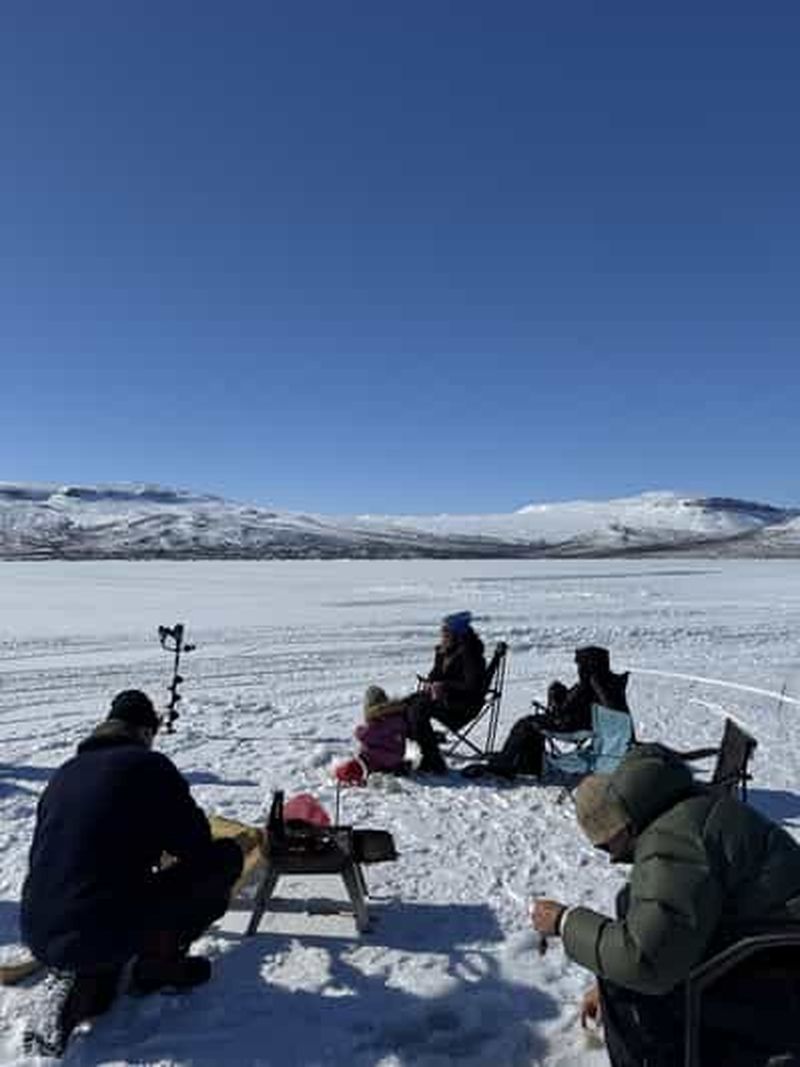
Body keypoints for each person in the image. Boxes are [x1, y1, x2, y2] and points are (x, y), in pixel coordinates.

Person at [531, 744, 800, 1066]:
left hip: (773, 976)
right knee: (628, 909)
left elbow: (645, 962)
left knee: (631, 980)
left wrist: (564, 922)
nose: (614, 858)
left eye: (605, 846)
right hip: (767, 949)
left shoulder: (675, 839)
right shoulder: (689, 807)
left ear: (622, 825)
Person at [20, 690, 244, 1056]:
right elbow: (197, 845)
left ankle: (79, 981)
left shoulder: (64, 773)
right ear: (144, 732)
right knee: (222, 859)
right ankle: (159, 962)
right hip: (101, 921)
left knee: (103, 987)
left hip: (39, 925)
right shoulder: (149, 767)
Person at [463, 645, 629, 779]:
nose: (578, 667)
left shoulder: (590, 682)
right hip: (586, 724)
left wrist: (558, 696)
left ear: (588, 665)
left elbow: (565, 708)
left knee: (526, 724)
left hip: (575, 727)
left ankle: (503, 765)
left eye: (580, 664)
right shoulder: (608, 681)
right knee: (532, 723)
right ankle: (527, 765)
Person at [405, 611, 487, 774]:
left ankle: (433, 760)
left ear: (455, 634)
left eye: (445, 631)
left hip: (461, 705)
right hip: (446, 698)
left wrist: (444, 685)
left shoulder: (470, 654)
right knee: (406, 703)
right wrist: (431, 681)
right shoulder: (446, 650)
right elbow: (436, 674)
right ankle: (418, 744)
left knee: (418, 709)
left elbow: (472, 685)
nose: (441, 635)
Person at [334, 685, 409, 785]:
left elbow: (364, 735)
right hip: (397, 757)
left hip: (376, 759)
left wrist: (359, 730)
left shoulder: (378, 720)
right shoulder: (398, 718)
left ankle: (348, 775)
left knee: (354, 766)